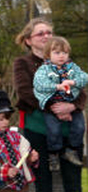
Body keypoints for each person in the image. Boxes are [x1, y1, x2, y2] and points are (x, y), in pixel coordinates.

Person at [13, 18, 87, 192]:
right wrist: (56, 107)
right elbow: (25, 93)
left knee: (74, 187)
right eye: (39, 33)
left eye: (49, 32)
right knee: (43, 188)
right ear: (28, 40)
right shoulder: (23, 63)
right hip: (37, 132)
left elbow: (82, 90)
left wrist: (73, 105)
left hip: (70, 134)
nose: (45, 36)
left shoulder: (66, 61)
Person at [33, 36, 87, 170]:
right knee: (53, 130)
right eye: (57, 53)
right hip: (51, 106)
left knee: (80, 127)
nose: (61, 56)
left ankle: (71, 150)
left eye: (64, 53)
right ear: (48, 54)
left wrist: (73, 82)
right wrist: (57, 86)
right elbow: (39, 85)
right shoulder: (44, 70)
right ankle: (54, 154)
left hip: (71, 104)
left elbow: (85, 78)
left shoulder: (72, 68)